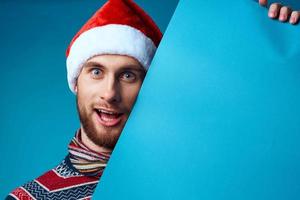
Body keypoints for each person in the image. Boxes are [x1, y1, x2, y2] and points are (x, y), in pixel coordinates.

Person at [6, 0, 299, 199]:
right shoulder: (29, 198)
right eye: (96, 72)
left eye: (128, 75)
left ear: (149, 86)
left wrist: (272, 50)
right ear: (76, 83)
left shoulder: (198, 174)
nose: (110, 93)